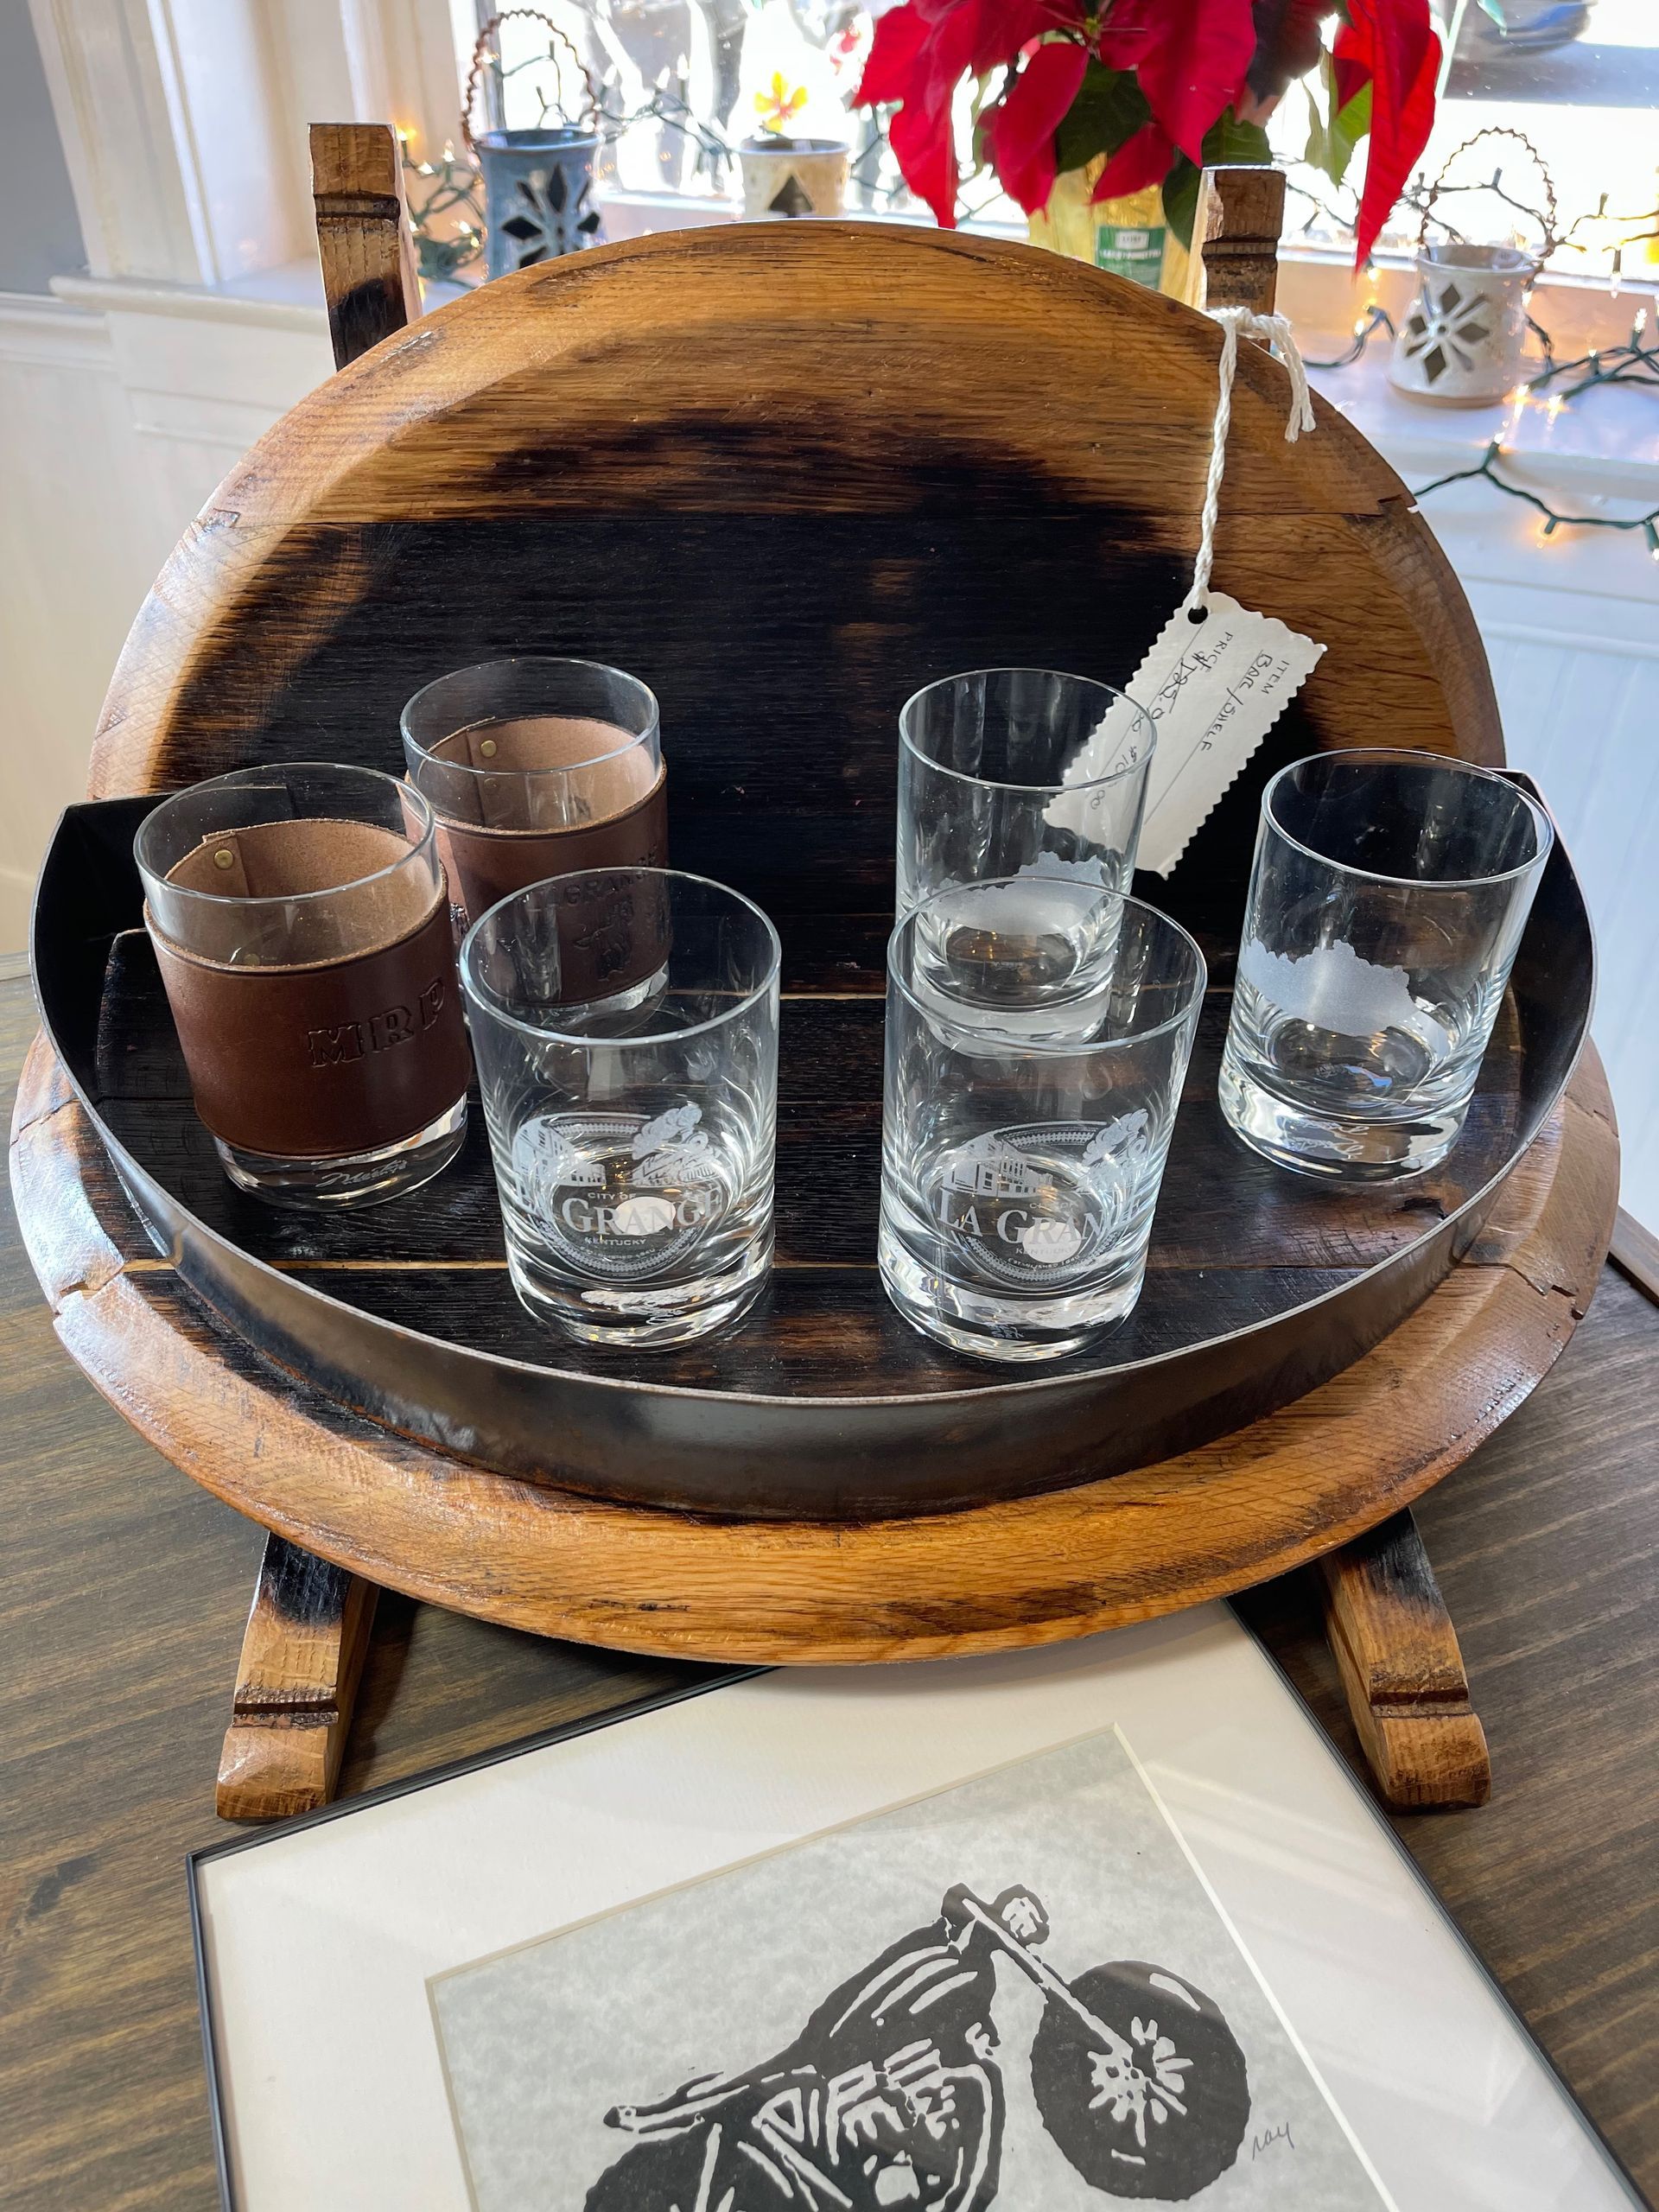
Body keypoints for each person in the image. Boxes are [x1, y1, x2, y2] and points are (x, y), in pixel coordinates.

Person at [586, 1885, 1051, 2212]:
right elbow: (888, 1979)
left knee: (765, 2091)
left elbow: (951, 2033)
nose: (1014, 1923)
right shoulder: (945, 1942)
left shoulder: (976, 1992)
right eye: (1015, 1911)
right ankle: (668, 2115)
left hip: (863, 2105)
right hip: (846, 2046)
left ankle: (672, 2118)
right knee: (763, 2082)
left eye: (1023, 1924)